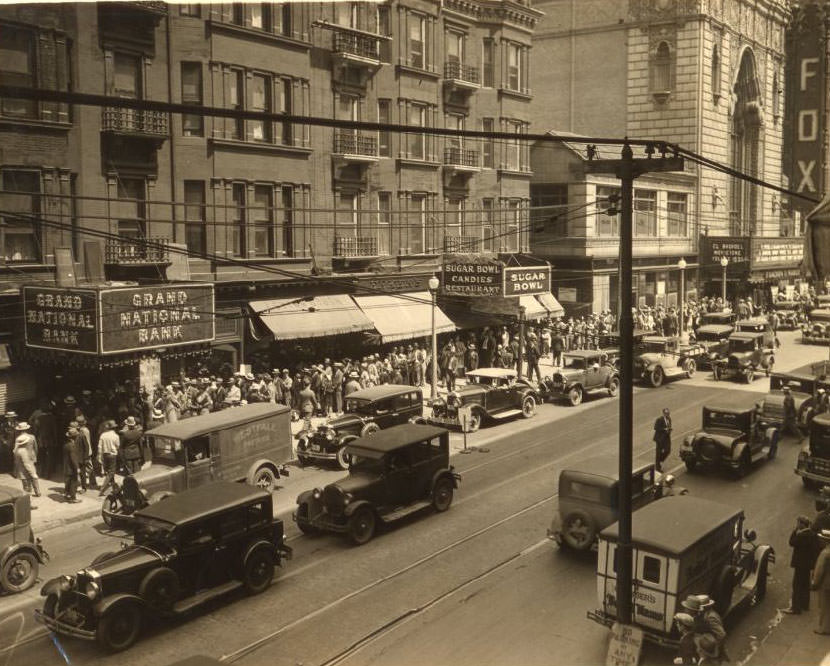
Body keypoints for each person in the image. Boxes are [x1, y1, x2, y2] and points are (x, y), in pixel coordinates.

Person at [784, 515, 818, 614]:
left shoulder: (801, 536)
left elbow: (791, 542)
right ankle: (805, 605)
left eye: (798, 523)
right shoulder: (812, 534)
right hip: (807, 565)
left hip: (800, 565)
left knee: (797, 585)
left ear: (802, 524)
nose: (797, 525)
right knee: (805, 585)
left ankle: (795, 608)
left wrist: (794, 531)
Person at [681, 594, 726, 663]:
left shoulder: (710, 617)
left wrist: (710, 648)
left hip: (711, 652)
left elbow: (721, 634)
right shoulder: (704, 616)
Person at [13, 422, 40, 497]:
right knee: (32, 472)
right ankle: (37, 491)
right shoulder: (32, 437)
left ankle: (27, 490)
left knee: (23, 473)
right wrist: (35, 456)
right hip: (31, 456)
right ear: (27, 429)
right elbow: (36, 448)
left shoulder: (18, 438)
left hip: (20, 457)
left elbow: (15, 449)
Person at [812, 529, 830, 634]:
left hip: (826, 584)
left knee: (824, 606)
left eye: (822, 539)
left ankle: (824, 629)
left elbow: (819, 570)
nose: (820, 541)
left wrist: (815, 583)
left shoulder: (825, 553)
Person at [97, 420, 120, 497]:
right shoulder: (116, 436)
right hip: (112, 455)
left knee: (109, 471)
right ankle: (102, 489)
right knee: (111, 472)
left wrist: (99, 456)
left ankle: (114, 487)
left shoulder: (103, 435)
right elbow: (118, 446)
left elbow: (99, 447)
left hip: (105, 454)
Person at [63, 426, 81, 503]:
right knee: (74, 482)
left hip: (66, 467)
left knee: (68, 481)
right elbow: (73, 458)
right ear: (75, 437)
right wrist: (77, 468)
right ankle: (73, 498)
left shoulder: (66, 445)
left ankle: (67, 494)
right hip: (71, 468)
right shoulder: (72, 446)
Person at [653, 407, 673, 472]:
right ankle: (658, 467)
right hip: (660, 438)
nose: (668, 414)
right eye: (666, 413)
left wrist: (669, 430)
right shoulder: (659, 419)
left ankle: (660, 459)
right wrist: (664, 429)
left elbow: (669, 426)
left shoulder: (669, 419)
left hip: (666, 437)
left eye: (668, 413)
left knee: (668, 450)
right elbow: (656, 428)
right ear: (664, 413)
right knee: (658, 452)